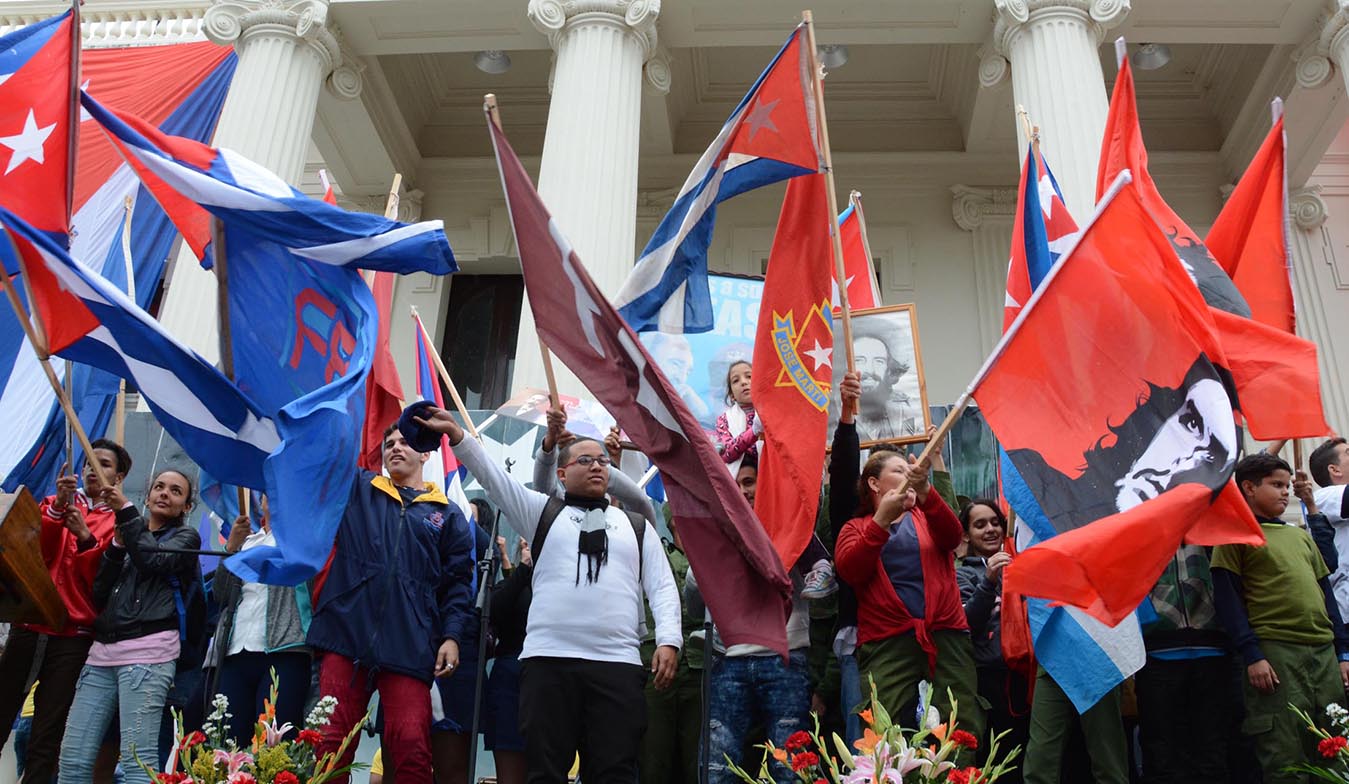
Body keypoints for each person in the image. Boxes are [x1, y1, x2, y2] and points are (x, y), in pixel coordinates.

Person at [427, 404, 683, 784]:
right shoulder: (541, 513)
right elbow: (495, 479)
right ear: (562, 474)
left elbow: (662, 587)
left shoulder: (637, 525)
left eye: (602, 461)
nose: (597, 467)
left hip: (617, 666)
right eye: (585, 460)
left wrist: (669, 640)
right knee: (544, 773)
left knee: (613, 773)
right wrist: (459, 437)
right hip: (548, 664)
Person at [306, 423, 477, 784]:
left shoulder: (448, 515)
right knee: (330, 744)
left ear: (425, 454)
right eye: (389, 444)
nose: (396, 448)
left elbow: (458, 586)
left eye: (405, 442)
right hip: (345, 635)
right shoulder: (358, 489)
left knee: (411, 747)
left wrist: (451, 636)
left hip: (409, 644)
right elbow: (326, 455)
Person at [834, 440, 983, 744]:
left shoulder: (928, 515)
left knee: (959, 723)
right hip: (887, 640)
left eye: (912, 471)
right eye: (900, 471)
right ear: (874, 483)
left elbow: (953, 536)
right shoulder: (855, 528)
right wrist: (881, 521)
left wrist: (927, 490)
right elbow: (850, 570)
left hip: (945, 634)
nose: (909, 475)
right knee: (883, 727)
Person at [57, 468, 201, 784]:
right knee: (72, 759)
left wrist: (125, 510)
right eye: (159, 487)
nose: (165, 493)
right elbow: (99, 592)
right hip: (101, 654)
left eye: (176, 491)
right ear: (147, 497)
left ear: (187, 507)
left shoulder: (187, 537)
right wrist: (116, 546)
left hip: (149, 655)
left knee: (138, 762)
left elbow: (152, 560)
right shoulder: (128, 533)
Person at [1212, 453, 1349, 783]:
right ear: (1248, 487)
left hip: (1323, 652)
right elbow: (1228, 601)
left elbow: (1326, 595)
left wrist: (1343, 652)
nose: (1286, 492)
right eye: (1276, 485)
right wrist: (1252, 655)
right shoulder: (1234, 536)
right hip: (1276, 652)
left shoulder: (1299, 536)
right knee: (1285, 748)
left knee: (1335, 745)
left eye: (1287, 486)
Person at [0, 439, 130, 784]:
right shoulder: (53, 504)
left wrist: (86, 537)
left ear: (118, 478)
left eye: (103, 464)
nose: (92, 469)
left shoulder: (120, 521)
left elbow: (102, 582)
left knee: (47, 731)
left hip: (73, 637)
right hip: (30, 623)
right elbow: (33, 558)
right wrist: (57, 509)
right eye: (88, 462)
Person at [715, 360, 836, 600]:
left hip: (780, 482)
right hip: (747, 489)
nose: (744, 383)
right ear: (731, 393)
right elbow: (727, 452)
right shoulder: (725, 420)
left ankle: (820, 567)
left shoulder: (779, 408)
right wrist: (753, 432)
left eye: (749, 376)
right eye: (736, 381)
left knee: (790, 519)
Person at [210, 497, 313, 747]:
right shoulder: (247, 540)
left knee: (273, 746)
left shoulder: (304, 537)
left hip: (286, 650)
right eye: (269, 490)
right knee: (227, 743)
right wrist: (231, 548)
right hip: (235, 651)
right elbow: (221, 594)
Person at [1134, 543, 1237, 784]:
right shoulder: (1139, 533)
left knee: (1214, 747)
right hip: (1157, 651)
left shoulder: (1210, 529)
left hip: (1212, 648)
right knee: (1161, 750)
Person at [955, 500, 1026, 781]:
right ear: (966, 535)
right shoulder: (961, 574)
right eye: (980, 524)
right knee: (998, 757)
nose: (990, 530)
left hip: (1027, 673)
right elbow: (967, 623)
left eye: (995, 522)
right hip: (990, 679)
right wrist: (988, 581)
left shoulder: (1019, 563)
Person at [484, 538, 533, 784]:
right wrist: (523, 570)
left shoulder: (561, 584)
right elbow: (494, 610)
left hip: (549, 681)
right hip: (510, 680)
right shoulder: (512, 584)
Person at [849, 317, 921, 444]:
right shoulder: (831, 412)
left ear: (888, 369)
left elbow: (912, 449)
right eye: (859, 361)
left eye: (879, 361)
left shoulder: (904, 408)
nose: (870, 370)